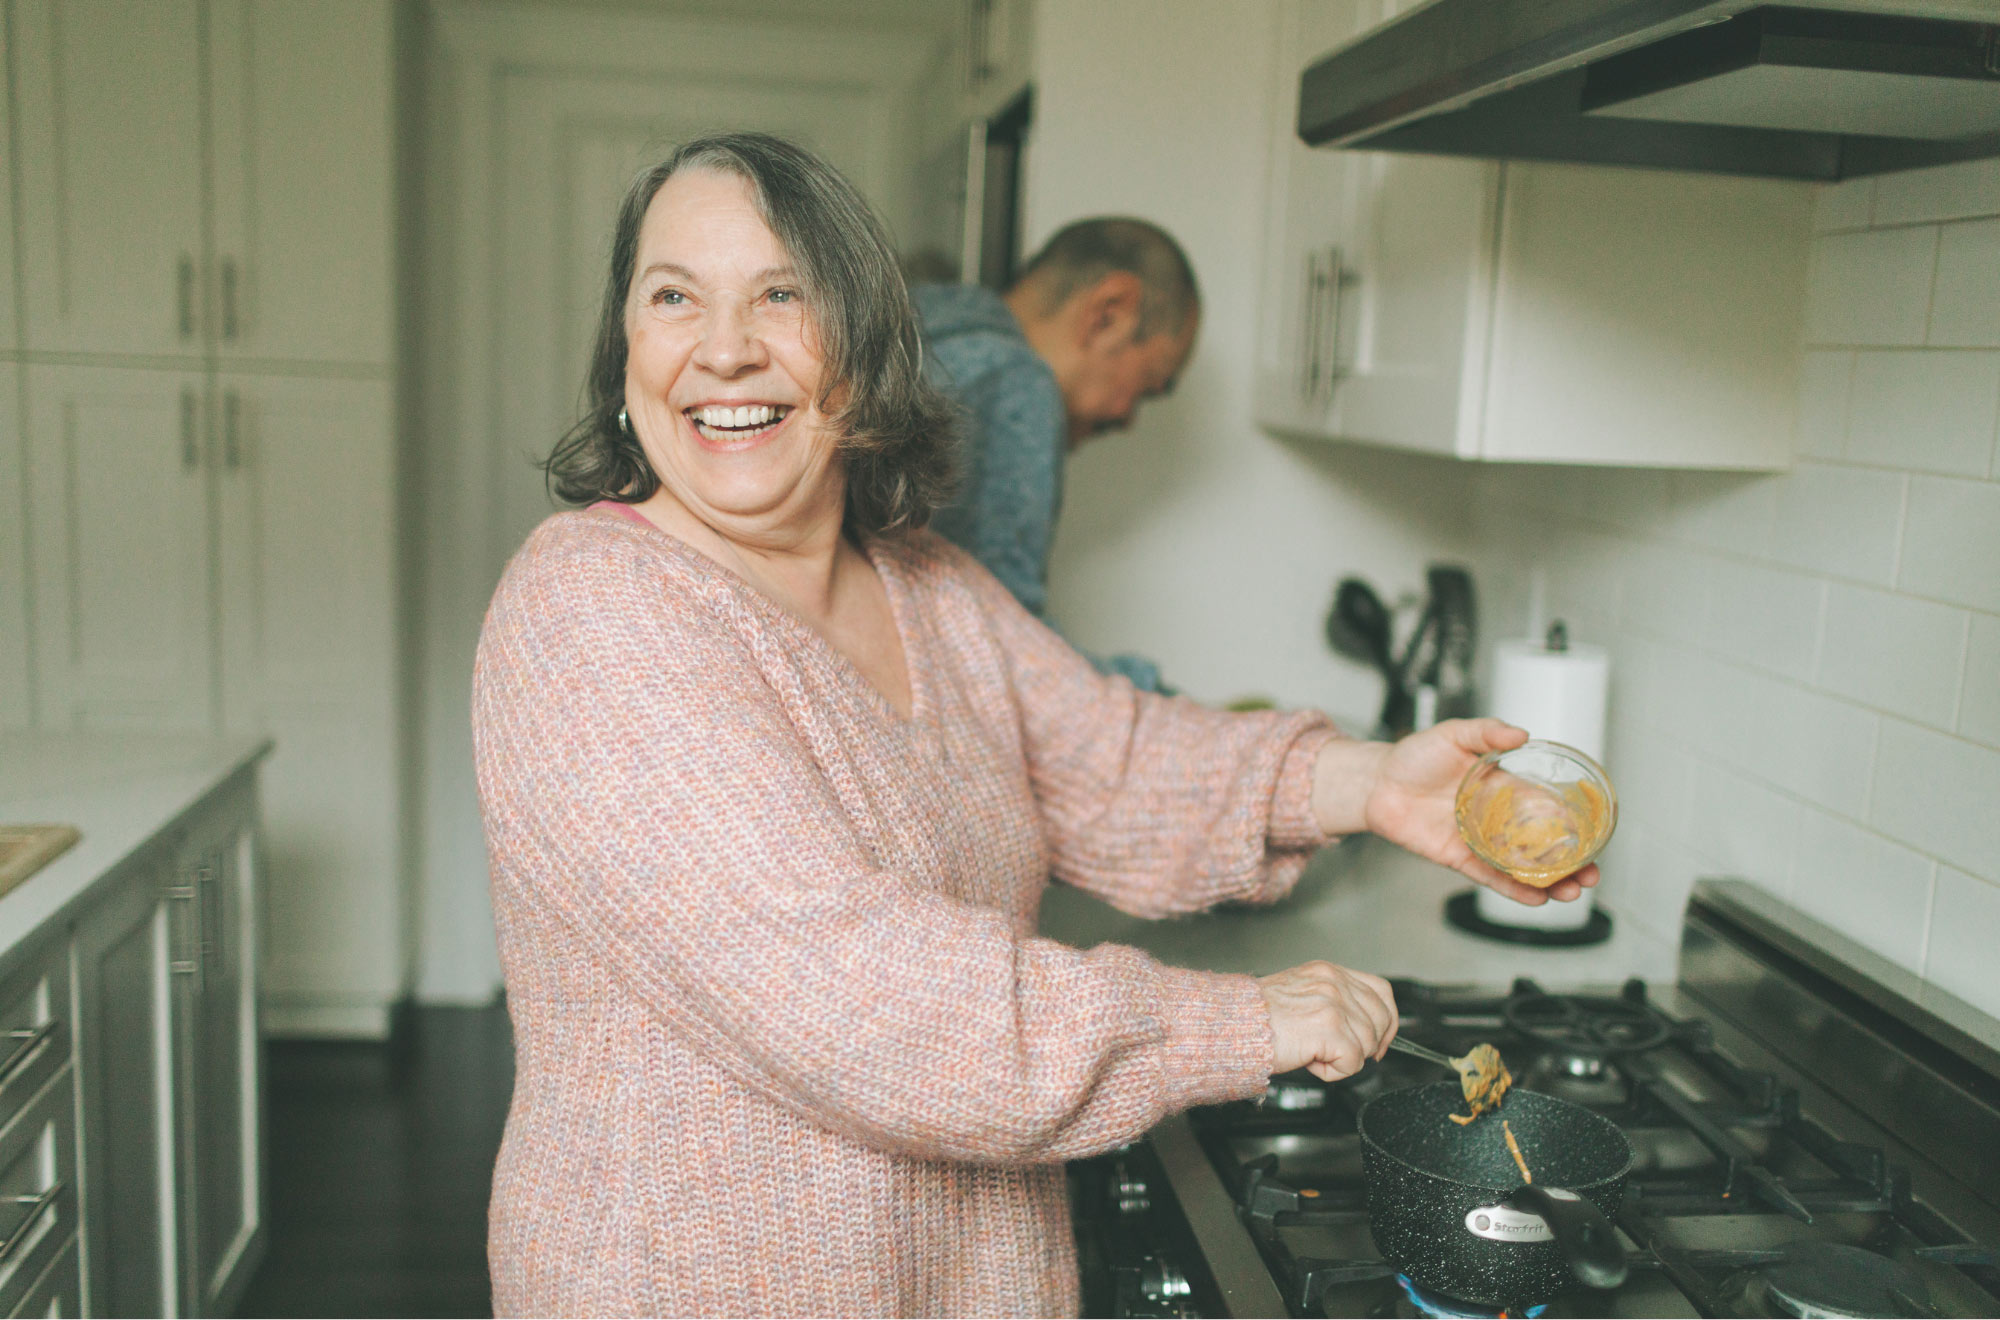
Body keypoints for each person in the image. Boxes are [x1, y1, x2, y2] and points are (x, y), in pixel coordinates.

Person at [472, 132, 1596, 1317]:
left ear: (858, 346)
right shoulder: (590, 611)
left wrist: (1368, 784)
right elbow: (859, 1001)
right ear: (625, 348)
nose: (723, 348)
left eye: (780, 296)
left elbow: (1105, 761)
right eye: (672, 297)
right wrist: (1239, 1018)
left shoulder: (923, 581)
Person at [913, 219, 1197, 692]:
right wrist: (1159, 698)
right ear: (1110, 315)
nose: (1127, 420)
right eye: (1148, 388)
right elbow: (1009, 652)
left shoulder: (922, 326)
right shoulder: (1013, 382)